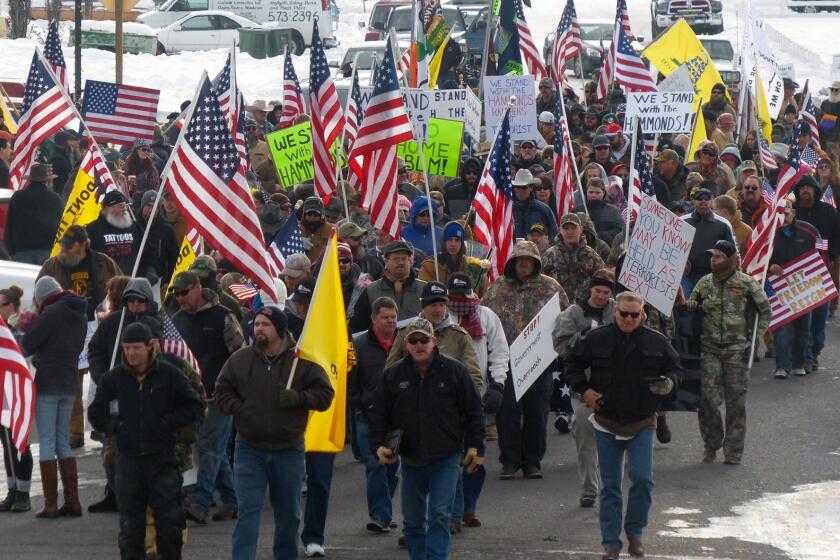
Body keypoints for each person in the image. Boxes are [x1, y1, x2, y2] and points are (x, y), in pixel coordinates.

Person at [564, 291, 682, 560]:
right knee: (610, 486)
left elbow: (677, 368)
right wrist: (584, 390)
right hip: (606, 421)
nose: (629, 319)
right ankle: (610, 545)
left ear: (642, 315)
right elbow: (571, 364)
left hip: (642, 421)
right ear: (614, 312)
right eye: (624, 314)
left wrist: (670, 382)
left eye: (634, 315)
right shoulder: (594, 338)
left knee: (642, 480)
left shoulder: (658, 341)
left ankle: (635, 532)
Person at [215, 305, 334, 560]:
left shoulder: (301, 361)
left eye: (265, 325)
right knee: (248, 511)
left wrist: (299, 398)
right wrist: (240, 409)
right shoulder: (240, 359)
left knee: (289, 514)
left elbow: (326, 395)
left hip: (288, 449)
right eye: (256, 324)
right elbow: (222, 389)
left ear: (279, 330)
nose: (259, 329)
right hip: (249, 449)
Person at [368, 317, 485, 560]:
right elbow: (379, 414)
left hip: (447, 458)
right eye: (413, 340)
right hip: (411, 460)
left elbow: (474, 410)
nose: (419, 344)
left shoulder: (455, 371)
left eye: (424, 340)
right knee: (412, 522)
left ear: (434, 342)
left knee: (440, 516)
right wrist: (378, 445)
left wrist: (476, 445)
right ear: (406, 344)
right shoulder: (392, 375)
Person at [88, 322, 204, 559]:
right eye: (127, 348)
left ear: (149, 347)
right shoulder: (113, 379)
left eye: (136, 348)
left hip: (162, 460)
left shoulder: (170, 374)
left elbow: (194, 406)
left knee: (169, 526)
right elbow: (96, 413)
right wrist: (116, 427)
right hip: (128, 462)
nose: (131, 353)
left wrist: (164, 423)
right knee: (131, 530)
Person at [481, 240, 569, 479]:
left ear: (536, 262)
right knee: (506, 412)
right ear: (512, 262)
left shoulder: (551, 288)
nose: (524, 264)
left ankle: (532, 461)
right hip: (505, 361)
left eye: (528, 260)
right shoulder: (497, 287)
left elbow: (565, 319)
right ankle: (509, 461)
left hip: (539, 361)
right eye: (520, 260)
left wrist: (559, 349)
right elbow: (484, 318)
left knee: (537, 413)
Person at [687, 240, 771, 464]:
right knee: (707, 401)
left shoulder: (746, 283)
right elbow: (691, 303)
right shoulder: (704, 283)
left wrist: (756, 341)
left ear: (731, 259)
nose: (713, 259)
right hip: (709, 348)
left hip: (737, 349)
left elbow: (765, 310)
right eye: (712, 256)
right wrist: (692, 304)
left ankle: (733, 450)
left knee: (736, 402)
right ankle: (711, 443)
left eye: (719, 256)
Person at [171, 271, 244, 525]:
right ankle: (233, 501)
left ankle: (201, 502)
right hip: (191, 396)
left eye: (184, 292)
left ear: (198, 287)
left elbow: (240, 356)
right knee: (217, 450)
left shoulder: (224, 316)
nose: (180, 298)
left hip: (219, 394)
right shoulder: (177, 320)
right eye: (176, 293)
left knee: (209, 447)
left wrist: (237, 391)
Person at [86, 277, 164, 513]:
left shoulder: (158, 324)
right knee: (110, 445)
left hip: (148, 394)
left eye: (140, 300)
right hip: (116, 394)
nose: (135, 305)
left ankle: (143, 494)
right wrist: (102, 377)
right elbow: (95, 350)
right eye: (130, 300)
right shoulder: (112, 324)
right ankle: (115, 491)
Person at [21, 276, 88, 518]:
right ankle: (73, 501)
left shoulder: (50, 314)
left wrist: (24, 328)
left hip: (48, 383)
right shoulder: (79, 315)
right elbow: (72, 349)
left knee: (48, 441)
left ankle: (51, 504)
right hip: (70, 383)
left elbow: (28, 344)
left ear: (43, 297)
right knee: (62, 441)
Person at [446, 272, 509, 527]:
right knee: (449, 458)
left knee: (475, 456)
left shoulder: (486, 316)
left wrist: (497, 384)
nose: (457, 300)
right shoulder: (437, 314)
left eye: (462, 295)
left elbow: (500, 352)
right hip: (443, 399)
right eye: (453, 296)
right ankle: (453, 512)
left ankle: (468, 507)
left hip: (477, 397)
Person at [553, 270, 616, 508]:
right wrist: (584, 337)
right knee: (585, 437)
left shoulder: (618, 311)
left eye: (606, 292)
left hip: (613, 386)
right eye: (597, 291)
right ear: (590, 290)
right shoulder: (572, 314)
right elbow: (559, 345)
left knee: (614, 440)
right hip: (583, 386)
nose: (601, 296)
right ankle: (589, 488)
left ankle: (612, 488)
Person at [349, 297, 401, 534]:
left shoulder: (406, 342)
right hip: (367, 419)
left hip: (398, 420)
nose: (391, 321)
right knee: (375, 465)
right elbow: (349, 382)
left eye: (393, 317)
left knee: (392, 467)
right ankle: (380, 515)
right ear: (373, 318)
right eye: (385, 317)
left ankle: (384, 509)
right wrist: (362, 403)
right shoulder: (357, 345)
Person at [791, 175, 840, 372]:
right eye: (802, 188)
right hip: (799, 272)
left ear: (815, 190)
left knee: (820, 317)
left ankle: (815, 350)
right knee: (804, 318)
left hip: (823, 270)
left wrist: (833, 255)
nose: (805, 191)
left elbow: (837, 236)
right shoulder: (793, 212)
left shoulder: (829, 212)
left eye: (808, 188)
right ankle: (807, 356)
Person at [768, 199, 819, 379]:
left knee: (803, 328)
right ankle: (782, 366)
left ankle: (798, 364)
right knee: (781, 328)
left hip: (805, 287)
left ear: (794, 213)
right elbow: (759, 260)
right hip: (779, 287)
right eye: (780, 213)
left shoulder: (810, 231)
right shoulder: (769, 233)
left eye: (787, 213)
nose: (784, 217)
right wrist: (770, 267)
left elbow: (823, 253)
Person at [0, 285, 34, 513]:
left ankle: (24, 492)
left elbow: (23, 358)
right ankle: (12, 488)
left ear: (10, 306)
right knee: (6, 442)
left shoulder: (21, 328)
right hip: (3, 392)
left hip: (19, 391)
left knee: (20, 441)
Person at [351, 240, 428, 333]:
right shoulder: (370, 291)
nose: (400, 262)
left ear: (410, 261)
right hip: (381, 346)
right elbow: (358, 328)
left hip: (418, 345)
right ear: (386, 261)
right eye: (396, 259)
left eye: (404, 259)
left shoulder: (425, 289)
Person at [680, 185, 736, 296]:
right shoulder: (682, 222)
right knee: (686, 309)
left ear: (712, 201)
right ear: (693, 201)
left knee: (709, 310)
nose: (703, 201)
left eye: (707, 198)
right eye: (699, 198)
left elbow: (733, 252)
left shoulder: (723, 224)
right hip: (687, 276)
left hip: (714, 277)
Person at [4, 163, 64, 265]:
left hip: (22, 251)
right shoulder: (55, 199)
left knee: (23, 280)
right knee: (43, 280)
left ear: (30, 180)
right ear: (46, 180)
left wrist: (10, 250)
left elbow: (9, 224)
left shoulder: (17, 197)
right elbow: (60, 225)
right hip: (47, 250)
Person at [542, 213, 606, 302]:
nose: (570, 232)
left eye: (573, 228)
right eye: (566, 228)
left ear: (581, 229)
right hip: (557, 307)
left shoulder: (591, 255)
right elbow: (541, 283)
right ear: (560, 230)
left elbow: (603, 281)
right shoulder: (550, 255)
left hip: (583, 309)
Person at [86, 191, 149, 278]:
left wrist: (150, 269)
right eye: (120, 206)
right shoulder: (92, 230)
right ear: (107, 209)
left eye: (125, 205)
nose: (124, 209)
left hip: (133, 282)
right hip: (105, 284)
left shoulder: (134, 227)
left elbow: (148, 250)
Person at [418, 221, 489, 295]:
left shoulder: (472, 267)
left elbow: (484, 296)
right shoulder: (430, 266)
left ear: (462, 243)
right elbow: (423, 294)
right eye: (449, 240)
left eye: (457, 240)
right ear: (443, 241)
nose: (453, 244)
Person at [137, 191, 179, 288]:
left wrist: (169, 281)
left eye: (154, 206)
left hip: (159, 283)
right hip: (136, 280)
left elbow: (174, 258)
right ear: (142, 205)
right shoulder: (133, 227)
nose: (151, 210)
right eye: (148, 205)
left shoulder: (167, 230)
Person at [573, 179, 623, 246]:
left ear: (603, 193)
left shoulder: (613, 211)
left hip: (606, 249)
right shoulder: (577, 211)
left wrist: (600, 236)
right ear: (586, 193)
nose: (593, 195)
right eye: (591, 192)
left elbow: (620, 231)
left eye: (597, 192)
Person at [511, 169, 558, 240]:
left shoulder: (543, 210)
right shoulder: (508, 211)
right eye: (517, 187)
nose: (520, 190)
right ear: (514, 189)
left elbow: (553, 235)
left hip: (539, 250)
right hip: (514, 250)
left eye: (524, 187)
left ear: (531, 188)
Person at [124, 139, 161, 214]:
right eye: (144, 149)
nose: (146, 152)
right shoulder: (129, 166)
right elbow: (128, 186)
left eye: (148, 150)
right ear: (136, 150)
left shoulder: (151, 168)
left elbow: (154, 188)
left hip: (145, 204)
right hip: (130, 205)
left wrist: (137, 194)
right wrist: (130, 196)